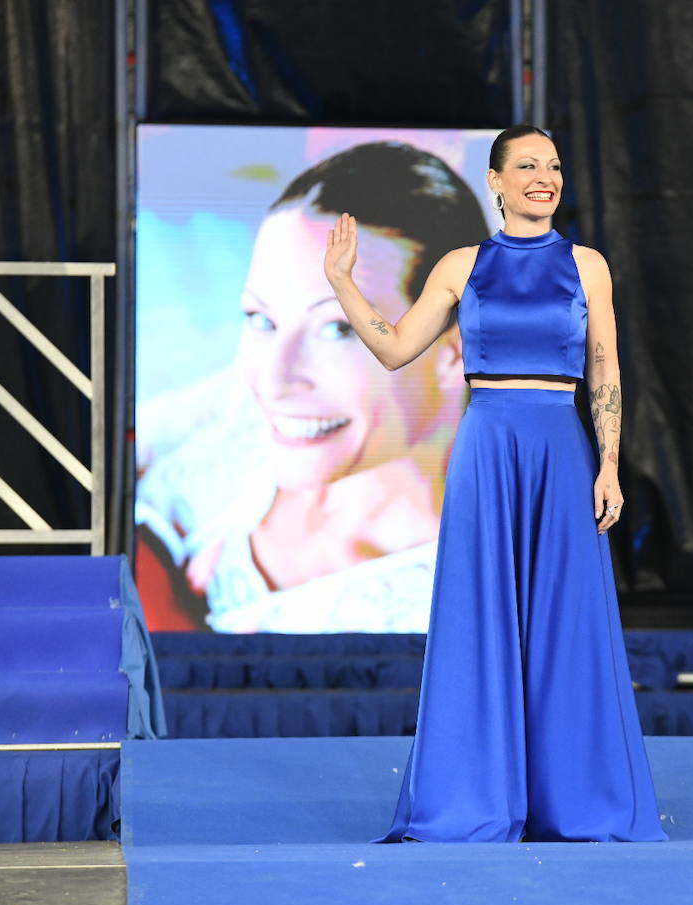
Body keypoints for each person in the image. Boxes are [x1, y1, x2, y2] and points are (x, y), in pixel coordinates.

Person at [324, 125, 666, 842]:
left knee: (566, 623)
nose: (545, 177)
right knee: (479, 617)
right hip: (488, 446)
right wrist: (342, 284)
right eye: (528, 166)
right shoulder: (460, 264)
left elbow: (604, 368)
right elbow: (392, 349)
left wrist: (608, 462)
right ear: (496, 182)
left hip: (560, 444)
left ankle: (576, 804)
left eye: (554, 166)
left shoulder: (588, 266)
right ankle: (477, 798)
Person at [135, 142, 484, 633]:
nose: (273, 379)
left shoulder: (448, 609)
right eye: (260, 318)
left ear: (454, 352)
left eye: (337, 329)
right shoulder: (252, 408)